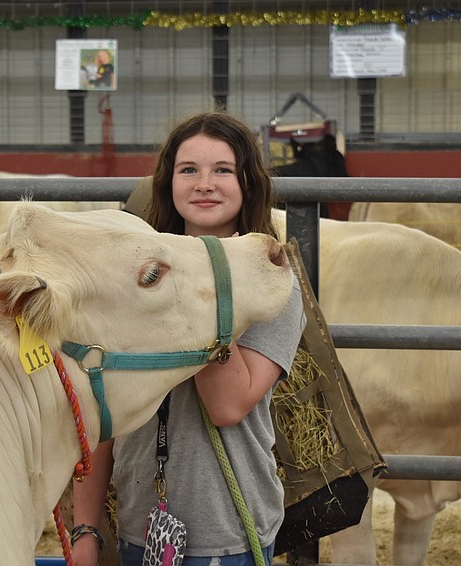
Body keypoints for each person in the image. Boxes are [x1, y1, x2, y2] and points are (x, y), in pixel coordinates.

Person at [71, 111, 305, 566]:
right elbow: (101, 408)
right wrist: (85, 527)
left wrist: (204, 282)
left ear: (248, 183)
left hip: (229, 533)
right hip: (140, 524)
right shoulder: (135, 275)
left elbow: (227, 407)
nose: (205, 184)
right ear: (169, 182)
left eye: (223, 170)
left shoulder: (273, 281)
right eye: (189, 170)